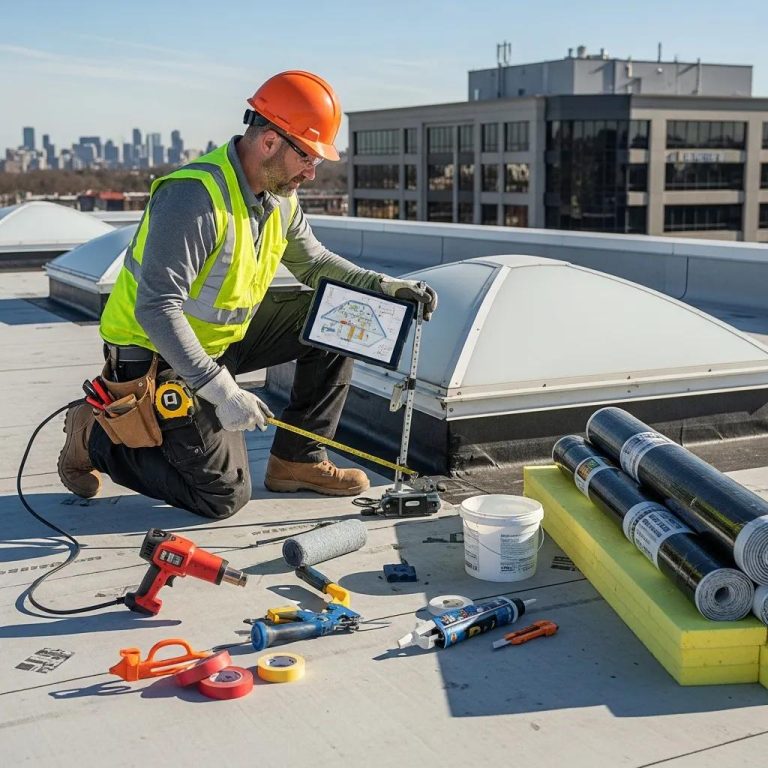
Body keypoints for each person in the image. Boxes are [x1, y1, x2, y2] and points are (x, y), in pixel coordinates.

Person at [56, 70, 437, 520]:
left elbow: (314, 263)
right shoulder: (195, 196)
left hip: (224, 341)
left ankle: (298, 459)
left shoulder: (278, 195)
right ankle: (95, 438)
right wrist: (223, 392)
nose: (312, 173)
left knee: (342, 315)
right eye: (308, 157)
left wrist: (381, 286)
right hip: (154, 354)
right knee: (222, 496)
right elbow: (157, 308)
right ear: (271, 141)